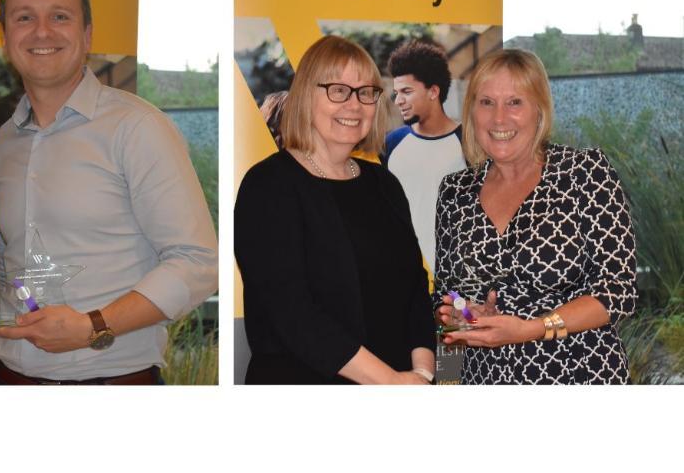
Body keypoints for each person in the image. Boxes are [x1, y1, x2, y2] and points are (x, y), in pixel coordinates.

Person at [0, 0, 218, 385]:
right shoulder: (3, 145)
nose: (42, 31)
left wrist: (93, 325)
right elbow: (12, 265)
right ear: (5, 37)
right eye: (24, 18)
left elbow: (198, 263)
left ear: (87, 34)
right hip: (8, 377)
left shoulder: (138, 128)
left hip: (112, 381)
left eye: (60, 16)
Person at [234, 35, 435, 384]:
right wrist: (390, 382)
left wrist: (421, 373)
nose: (354, 105)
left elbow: (415, 289)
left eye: (366, 92)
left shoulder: (384, 184)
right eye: (338, 90)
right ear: (305, 96)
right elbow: (292, 313)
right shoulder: (268, 186)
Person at [435, 49, 636, 384]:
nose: (499, 119)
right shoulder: (454, 191)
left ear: (539, 110)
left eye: (515, 102)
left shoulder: (584, 173)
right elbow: (447, 297)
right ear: (471, 111)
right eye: (486, 102)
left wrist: (532, 329)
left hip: (578, 375)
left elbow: (618, 291)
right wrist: (464, 322)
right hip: (483, 380)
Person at [381, 40, 465, 270]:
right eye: (396, 93)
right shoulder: (391, 144)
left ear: (433, 91)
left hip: (455, 281)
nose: (398, 101)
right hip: (402, 274)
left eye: (406, 92)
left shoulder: (469, 143)